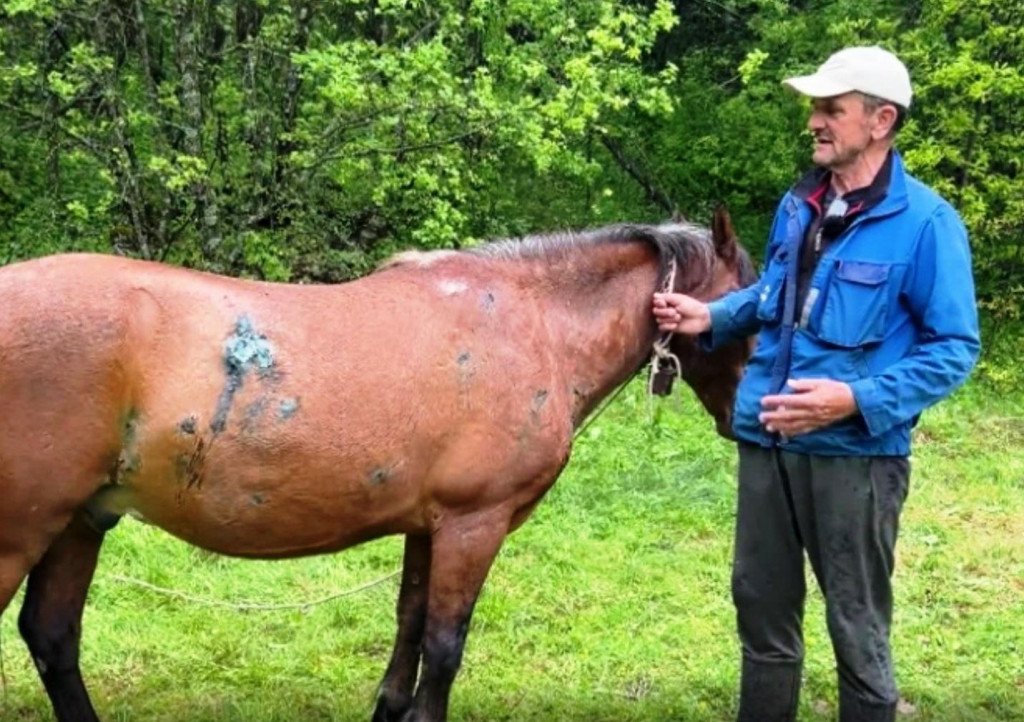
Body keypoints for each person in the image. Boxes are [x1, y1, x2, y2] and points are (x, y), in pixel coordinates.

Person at [653, 46, 980, 722]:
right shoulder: (799, 205)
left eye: (832, 109)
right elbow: (777, 293)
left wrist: (855, 399)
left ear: (881, 119)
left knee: (857, 627)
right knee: (762, 615)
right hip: (766, 443)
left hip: (854, 458)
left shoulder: (927, 224)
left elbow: (955, 349)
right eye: (815, 108)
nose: (814, 122)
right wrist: (712, 314)